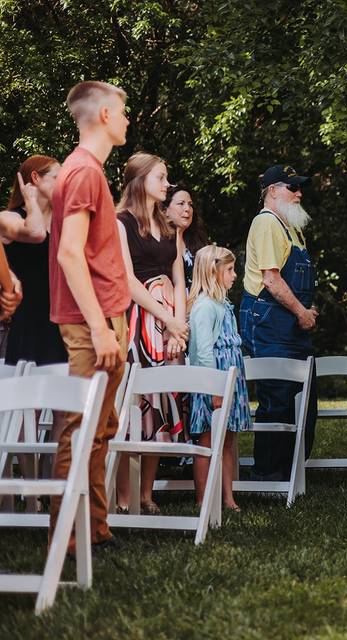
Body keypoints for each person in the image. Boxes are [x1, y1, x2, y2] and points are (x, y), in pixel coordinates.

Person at [48, 80, 132, 553]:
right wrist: (100, 328)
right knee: (80, 429)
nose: (127, 118)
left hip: (104, 320)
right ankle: (67, 542)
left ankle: (95, 530)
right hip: (89, 324)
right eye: (122, 110)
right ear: (102, 115)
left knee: (100, 429)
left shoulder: (88, 172)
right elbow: (69, 255)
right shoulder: (83, 173)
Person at [114, 152, 190, 514]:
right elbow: (128, 282)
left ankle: (146, 493)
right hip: (136, 325)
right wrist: (167, 318)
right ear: (140, 180)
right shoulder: (121, 223)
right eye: (160, 178)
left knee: (162, 402)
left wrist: (179, 327)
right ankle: (124, 497)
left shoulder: (171, 227)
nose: (166, 184)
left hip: (168, 326)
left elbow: (179, 280)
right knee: (135, 406)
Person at [239, 164, 318, 482]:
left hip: (289, 323)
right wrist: (302, 312)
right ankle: (268, 474)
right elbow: (271, 280)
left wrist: (306, 310)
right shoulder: (268, 223)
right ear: (272, 191)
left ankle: (290, 470)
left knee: (301, 395)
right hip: (269, 321)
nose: (299, 193)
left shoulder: (290, 227)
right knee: (277, 397)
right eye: (292, 187)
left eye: (300, 187)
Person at [187, 245, 250, 512]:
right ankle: (202, 498)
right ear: (213, 272)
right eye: (229, 270)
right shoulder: (205, 307)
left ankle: (227, 497)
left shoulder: (223, 305)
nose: (235, 275)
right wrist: (214, 387)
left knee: (228, 441)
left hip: (230, 380)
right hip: (213, 381)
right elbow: (202, 351)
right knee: (208, 440)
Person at [1, 156, 67, 365]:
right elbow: (36, 233)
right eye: (58, 177)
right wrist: (30, 201)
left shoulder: (63, 222)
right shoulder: (9, 218)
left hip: (62, 321)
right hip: (27, 322)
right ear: (36, 178)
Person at [164, 186, 208, 290]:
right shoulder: (159, 242)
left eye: (190, 204)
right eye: (181, 204)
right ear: (166, 210)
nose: (187, 209)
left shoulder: (198, 240)